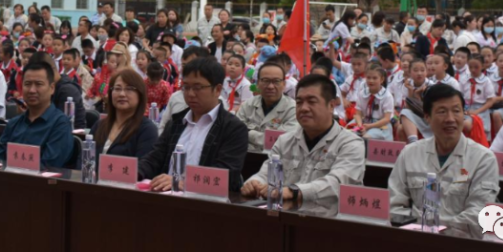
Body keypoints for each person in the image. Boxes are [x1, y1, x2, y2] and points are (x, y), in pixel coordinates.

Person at [242, 74, 366, 210]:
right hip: (288, 219)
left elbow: (336, 183)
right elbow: (266, 174)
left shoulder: (351, 144)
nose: (304, 108)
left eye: (312, 101)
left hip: (331, 222)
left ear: (331, 106)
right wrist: (254, 183)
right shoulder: (285, 141)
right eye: (299, 102)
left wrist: (294, 191)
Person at [388, 83, 500, 233]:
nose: (450, 119)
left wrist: (436, 231)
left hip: (460, 247)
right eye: (442, 112)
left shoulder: (483, 159)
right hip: (413, 241)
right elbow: (394, 204)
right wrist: (418, 229)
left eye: (456, 111)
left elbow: (478, 214)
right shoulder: (409, 153)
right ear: (427, 117)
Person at [139, 56, 248, 192]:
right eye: (186, 87)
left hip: (206, 204)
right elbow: (154, 158)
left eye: (198, 87)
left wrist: (184, 182)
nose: (190, 94)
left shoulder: (233, 128)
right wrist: (133, 173)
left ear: (217, 90)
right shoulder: (176, 122)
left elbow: (226, 175)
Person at [0, 60, 74, 168]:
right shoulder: (14, 123)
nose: (32, 90)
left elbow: (49, 165)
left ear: (52, 88)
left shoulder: (60, 124)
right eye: (27, 84)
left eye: (39, 84)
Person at [90, 69, 158, 159]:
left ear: (140, 94)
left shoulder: (147, 130)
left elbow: (143, 167)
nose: (122, 94)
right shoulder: (100, 125)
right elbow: (83, 159)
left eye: (129, 89)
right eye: (117, 88)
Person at [236, 57, 299, 152]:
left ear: (284, 84)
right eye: (265, 80)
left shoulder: (293, 109)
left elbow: (284, 140)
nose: (270, 86)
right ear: (257, 84)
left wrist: (248, 133)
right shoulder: (248, 105)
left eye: (276, 81)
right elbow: (235, 133)